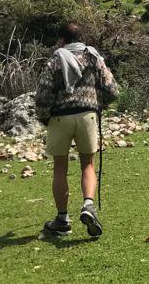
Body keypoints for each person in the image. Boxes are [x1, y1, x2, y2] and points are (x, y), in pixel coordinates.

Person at [35, 22, 119, 238]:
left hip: (60, 118)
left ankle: (62, 220)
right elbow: (112, 89)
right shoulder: (93, 56)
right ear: (81, 38)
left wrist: (45, 118)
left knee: (60, 169)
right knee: (87, 165)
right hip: (87, 116)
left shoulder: (55, 58)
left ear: (62, 40)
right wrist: (99, 106)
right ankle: (88, 206)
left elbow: (43, 94)